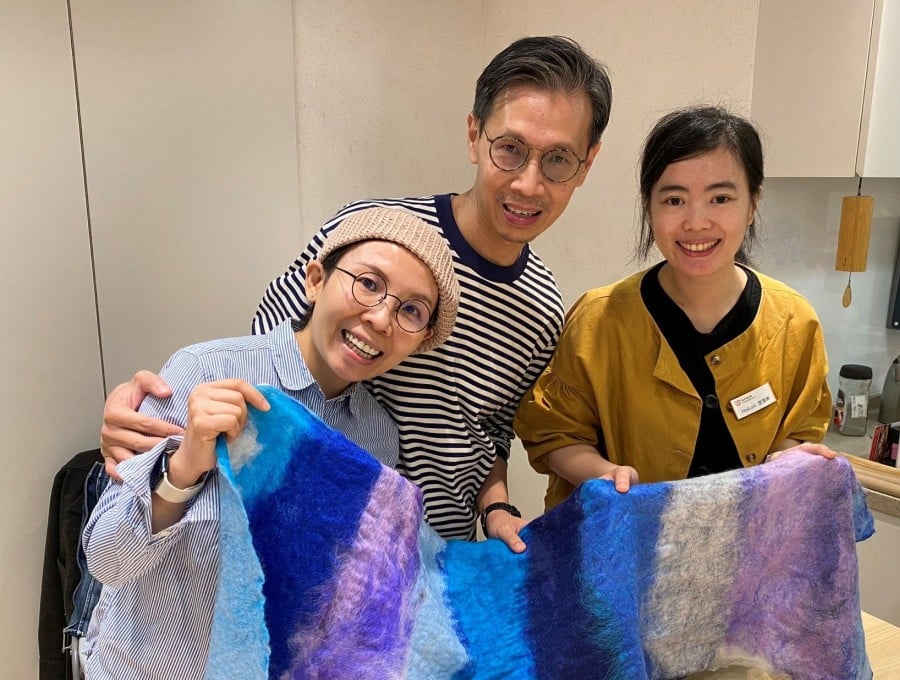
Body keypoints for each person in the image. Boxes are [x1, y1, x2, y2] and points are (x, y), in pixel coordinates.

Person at [97, 35, 612, 550]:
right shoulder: (369, 237)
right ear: (475, 135)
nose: (528, 183)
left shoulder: (544, 308)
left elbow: (493, 433)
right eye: (511, 149)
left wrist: (496, 506)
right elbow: (263, 367)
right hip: (311, 546)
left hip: (435, 557)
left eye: (558, 160)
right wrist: (156, 421)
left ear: (586, 165)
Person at [79, 208, 460, 680]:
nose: (381, 317)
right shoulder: (206, 373)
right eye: (368, 283)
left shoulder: (377, 436)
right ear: (316, 280)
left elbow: (340, 597)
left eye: (411, 310)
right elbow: (107, 558)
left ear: (420, 340)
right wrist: (183, 468)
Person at [514, 105, 834, 510]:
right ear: (649, 208)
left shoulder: (794, 322)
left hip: (749, 558)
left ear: (752, 204)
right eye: (674, 199)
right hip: (627, 556)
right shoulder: (600, 319)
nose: (696, 222)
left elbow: (802, 427)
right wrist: (603, 472)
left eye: (720, 198)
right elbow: (554, 434)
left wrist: (785, 461)